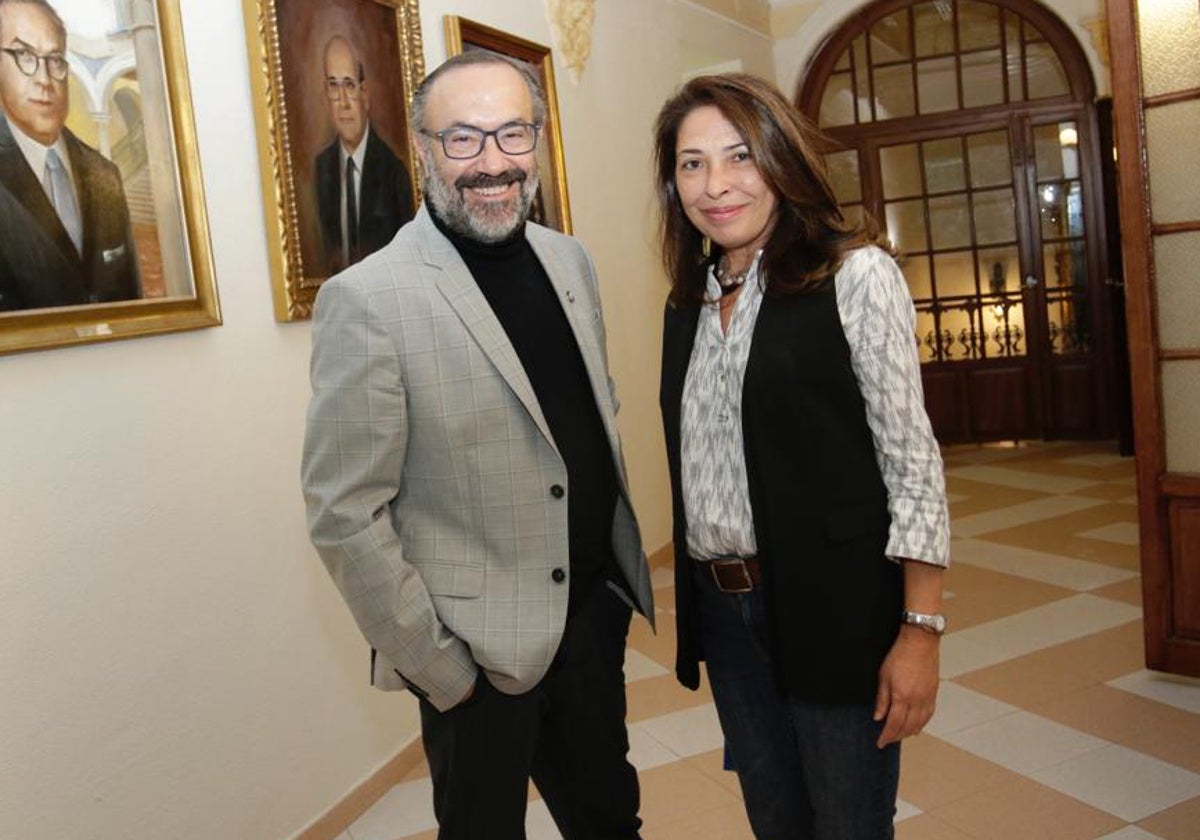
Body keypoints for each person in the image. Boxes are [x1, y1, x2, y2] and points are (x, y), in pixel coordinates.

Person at [302, 50, 653, 840]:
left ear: (537, 142)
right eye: (462, 139)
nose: (492, 163)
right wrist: (441, 668)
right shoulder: (368, 299)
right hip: (475, 656)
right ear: (423, 149)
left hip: (589, 625)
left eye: (511, 134)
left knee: (611, 823)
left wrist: (604, 603)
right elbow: (343, 512)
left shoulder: (571, 260)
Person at [654, 73, 950, 840]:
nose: (715, 185)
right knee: (776, 820)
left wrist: (920, 630)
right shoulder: (688, 297)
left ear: (782, 159)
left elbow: (912, 464)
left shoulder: (854, 276)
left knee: (849, 822)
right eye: (692, 163)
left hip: (836, 603)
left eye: (739, 155)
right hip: (726, 614)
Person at [0, 0, 140, 311]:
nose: (44, 79)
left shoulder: (105, 174)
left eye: (55, 59)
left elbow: (131, 297)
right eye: (24, 55)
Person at [313, 34, 414, 275]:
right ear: (326, 94)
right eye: (334, 87)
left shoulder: (394, 173)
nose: (344, 102)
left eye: (349, 85)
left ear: (364, 93)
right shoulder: (322, 168)